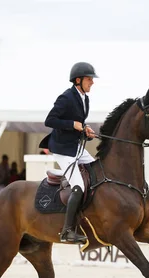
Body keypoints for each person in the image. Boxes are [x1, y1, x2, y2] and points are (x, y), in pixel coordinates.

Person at [39, 61, 98, 243]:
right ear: (78, 80)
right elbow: (50, 120)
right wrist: (72, 125)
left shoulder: (84, 98)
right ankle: (67, 231)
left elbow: (78, 121)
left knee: (97, 170)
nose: (92, 83)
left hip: (76, 147)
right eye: (89, 79)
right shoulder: (66, 98)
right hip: (63, 149)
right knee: (79, 186)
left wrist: (85, 129)